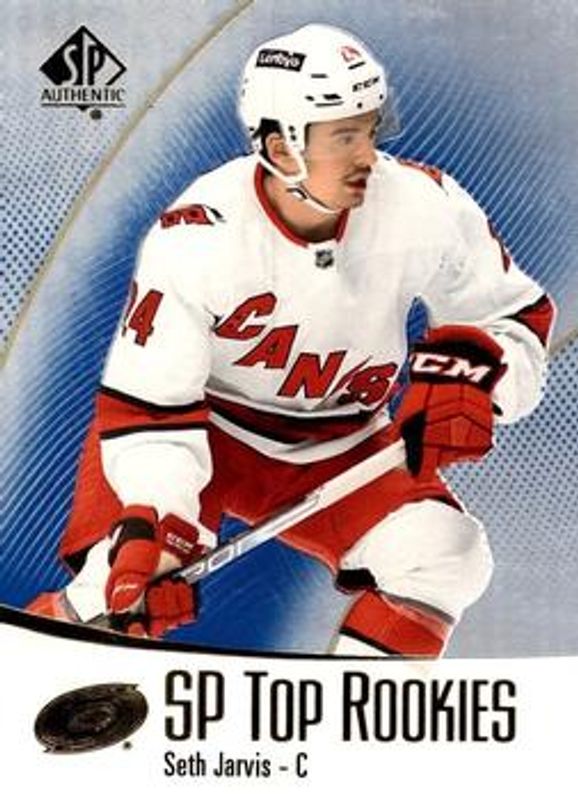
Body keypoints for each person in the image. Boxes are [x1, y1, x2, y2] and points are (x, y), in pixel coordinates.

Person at [28, 23, 555, 656]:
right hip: (200, 434)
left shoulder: (424, 204)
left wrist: (481, 377)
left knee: (446, 554)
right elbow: (149, 411)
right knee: (125, 585)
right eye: (344, 137)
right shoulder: (198, 237)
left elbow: (517, 319)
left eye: (370, 129)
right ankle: (39, 656)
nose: (369, 155)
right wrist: (157, 519)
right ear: (282, 149)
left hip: (342, 442)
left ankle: (359, 703)